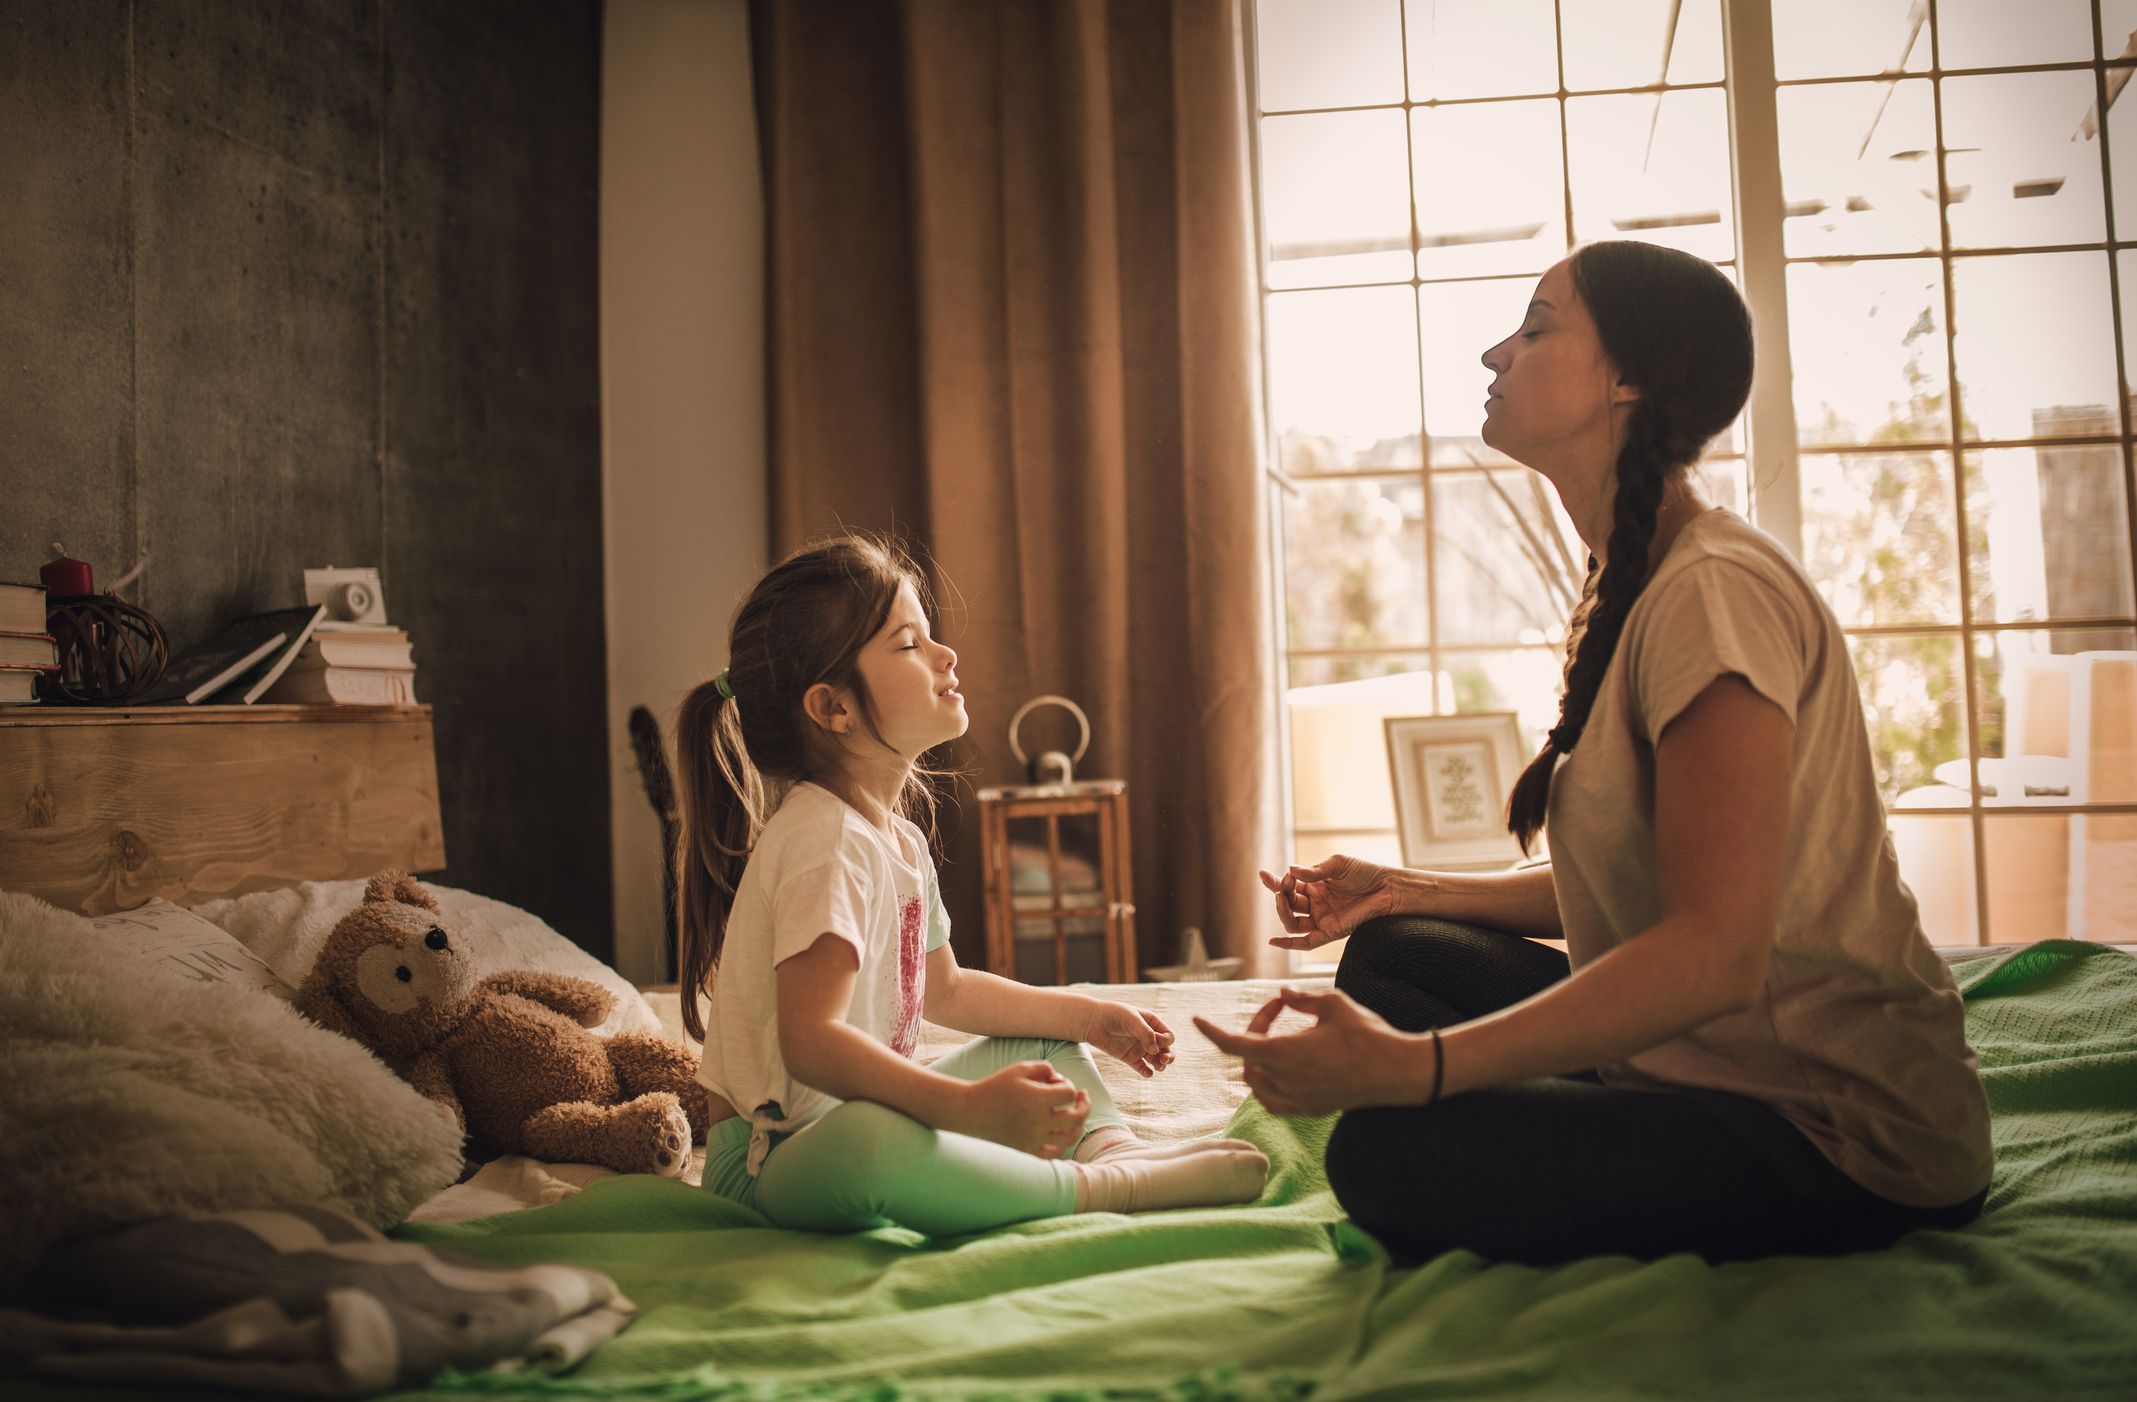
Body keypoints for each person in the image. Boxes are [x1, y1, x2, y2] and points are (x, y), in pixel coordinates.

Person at [1196, 240, 1992, 1266]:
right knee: (1398, 953)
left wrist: (1421, 1071)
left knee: (1388, 1153)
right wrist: (1398, 888)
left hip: (1837, 1132)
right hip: (1689, 1066)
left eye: (1533, 328)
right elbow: (1630, 882)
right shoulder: (1631, 578)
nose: (1495, 353)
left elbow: (1710, 951)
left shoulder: (1711, 594)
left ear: (1627, 379)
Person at [675, 536, 1267, 1235]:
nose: (944, 655)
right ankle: (1100, 1188)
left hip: (846, 1119)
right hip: (773, 1161)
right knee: (873, 1139)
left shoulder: (892, 836)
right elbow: (812, 1043)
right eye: (907, 644)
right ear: (832, 708)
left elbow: (945, 990)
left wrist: (1087, 1018)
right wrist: (955, 1109)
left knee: (1045, 1044)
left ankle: (1118, 1153)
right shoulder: (821, 842)